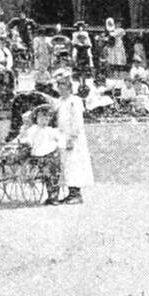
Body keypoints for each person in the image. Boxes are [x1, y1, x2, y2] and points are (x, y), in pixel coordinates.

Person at [53, 71, 94, 204]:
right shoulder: (59, 102)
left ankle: (76, 194)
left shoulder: (75, 101)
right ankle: (70, 192)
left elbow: (77, 122)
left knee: (74, 163)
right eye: (59, 84)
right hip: (61, 136)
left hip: (73, 138)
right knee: (65, 165)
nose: (61, 87)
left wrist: (72, 138)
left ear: (70, 86)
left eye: (63, 84)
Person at [19, 103, 63, 205]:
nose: (44, 121)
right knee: (44, 172)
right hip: (37, 155)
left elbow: (59, 140)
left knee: (52, 174)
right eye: (42, 118)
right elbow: (27, 139)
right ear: (37, 119)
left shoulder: (51, 131)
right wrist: (25, 140)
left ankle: (53, 197)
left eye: (47, 119)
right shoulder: (33, 130)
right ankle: (50, 194)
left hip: (49, 155)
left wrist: (59, 145)